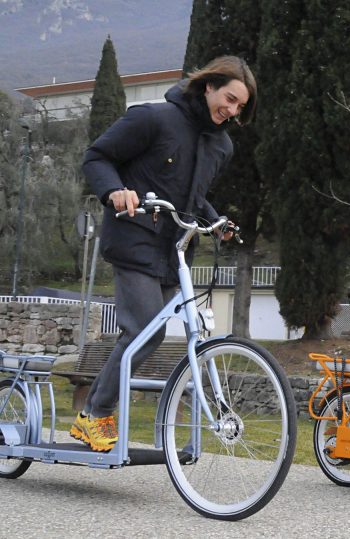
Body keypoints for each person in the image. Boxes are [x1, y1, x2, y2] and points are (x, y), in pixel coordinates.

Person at [70, 55, 257, 452]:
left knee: (154, 334)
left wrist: (216, 220)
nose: (233, 110)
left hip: (175, 252)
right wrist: (114, 191)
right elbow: (97, 157)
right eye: (229, 98)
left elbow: (193, 196)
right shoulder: (153, 119)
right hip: (134, 237)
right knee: (144, 332)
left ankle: (102, 412)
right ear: (208, 87)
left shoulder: (221, 146)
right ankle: (93, 414)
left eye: (240, 106)